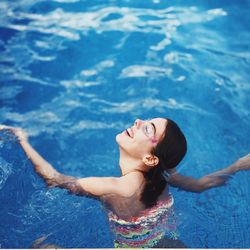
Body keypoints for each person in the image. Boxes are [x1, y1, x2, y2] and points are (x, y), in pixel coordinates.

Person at [0, 118, 249, 248]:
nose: (138, 120)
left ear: (150, 158)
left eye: (147, 128)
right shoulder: (165, 175)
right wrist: (236, 166)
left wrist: (22, 139)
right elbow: (201, 184)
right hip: (169, 241)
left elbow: (53, 179)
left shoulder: (118, 187)